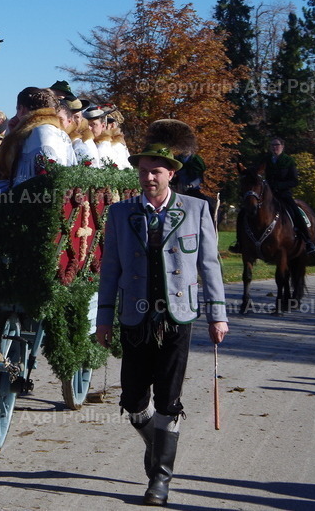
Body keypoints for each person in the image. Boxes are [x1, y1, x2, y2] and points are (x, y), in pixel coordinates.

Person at [95, 143, 229, 507]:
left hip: (177, 317)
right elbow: (110, 270)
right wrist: (103, 319)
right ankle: (158, 444)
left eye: (156, 171)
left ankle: (160, 479)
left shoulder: (197, 209)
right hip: (135, 318)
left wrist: (218, 314)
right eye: (143, 171)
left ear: (171, 174)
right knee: (133, 399)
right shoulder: (121, 213)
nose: (149, 177)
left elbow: (210, 266)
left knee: (169, 398)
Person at [0, 87, 76, 204]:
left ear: (21, 109)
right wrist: (11, 133)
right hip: (56, 198)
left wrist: (11, 136)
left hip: (29, 199)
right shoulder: (60, 133)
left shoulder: (37, 132)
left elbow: (7, 169)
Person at [232, 137, 315, 255]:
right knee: (243, 213)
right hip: (266, 195)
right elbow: (256, 172)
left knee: (295, 212)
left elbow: (294, 181)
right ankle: (240, 243)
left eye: (276, 145)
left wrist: (279, 185)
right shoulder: (266, 160)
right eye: (272, 145)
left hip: (283, 194)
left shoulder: (288, 161)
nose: (274, 147)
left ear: (282, 146)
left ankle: (307, 241)